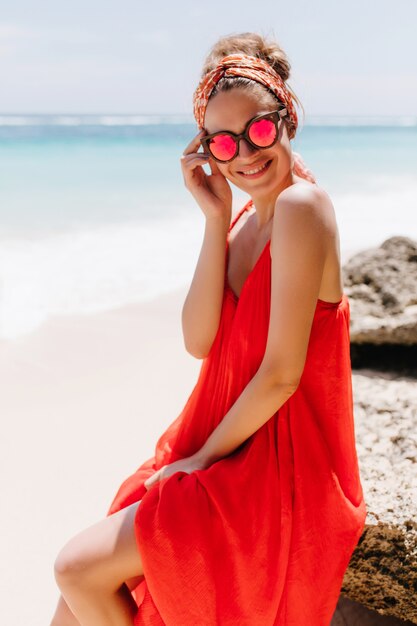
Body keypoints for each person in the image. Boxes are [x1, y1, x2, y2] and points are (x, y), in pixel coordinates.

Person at [50, 32, 367, 626]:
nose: (245, 152)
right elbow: (199, 340)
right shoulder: (245, 219)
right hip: (225, 441)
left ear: (286, 116)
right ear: (207, 149)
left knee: (75, 569)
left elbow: (280, 376)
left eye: (259, 129)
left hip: (275, 463)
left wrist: (195, 464)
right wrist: (214, 217)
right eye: (223, 140)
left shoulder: (304, 207)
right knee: (72, 602)